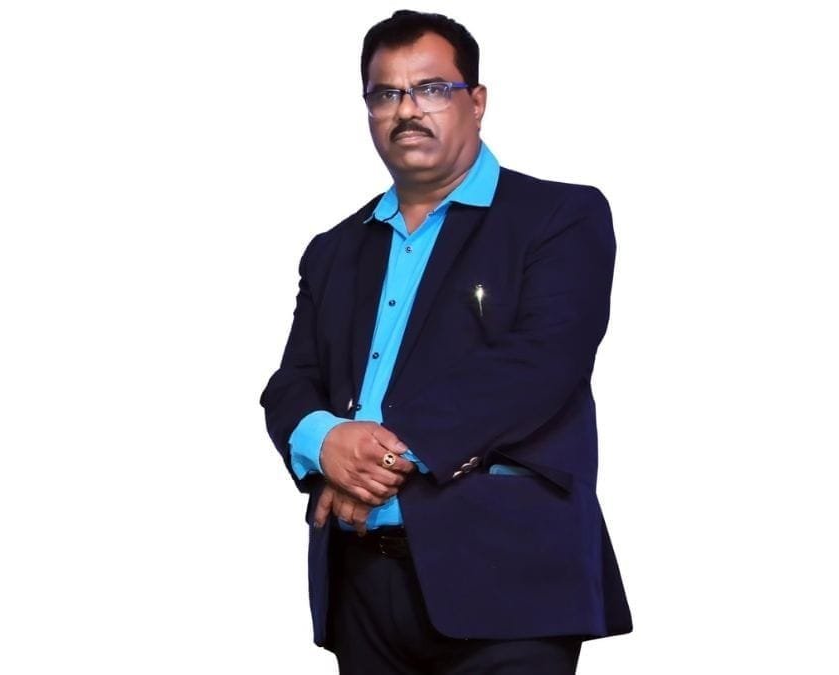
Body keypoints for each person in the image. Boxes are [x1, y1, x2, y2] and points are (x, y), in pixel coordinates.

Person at [260, 10, 632, 673]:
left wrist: (376, 457)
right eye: (386, 93)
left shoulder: (559, 217)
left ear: (477, 101)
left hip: (510, 577)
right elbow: (293, 381)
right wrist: (325, 440)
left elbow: (539, 364)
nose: (407, 109)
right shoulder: (333, 250)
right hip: (361, 583)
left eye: (431, 88)